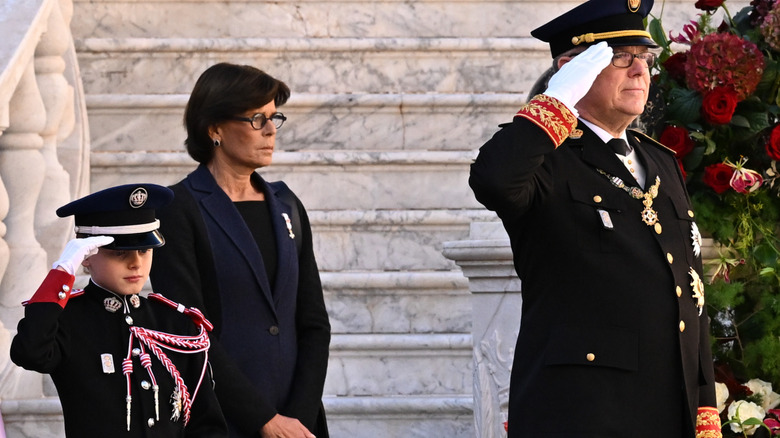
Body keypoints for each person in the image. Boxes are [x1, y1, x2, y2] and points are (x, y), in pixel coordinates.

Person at [469, 1, 722, 437]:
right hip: (582, 413)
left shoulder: (660, 162)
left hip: (667, 411)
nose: (640, 71)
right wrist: (556, 101)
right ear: (573, 70)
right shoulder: (543, 156)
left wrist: (704, 409)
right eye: (620, 58)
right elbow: (493, 181)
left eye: (644, 58)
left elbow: (689, 289)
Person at [149, 63, 331, 438]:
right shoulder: (178, 207)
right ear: (214, 129)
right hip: (223, 419)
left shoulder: (286, 204)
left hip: (298, 423)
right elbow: (188, 334)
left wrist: (298, 416)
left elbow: (313, 324)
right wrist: (263, 419)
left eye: (273, 118)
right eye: (255, 119)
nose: (269, 131)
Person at [10, 183, 227, 437]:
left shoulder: (176, 324)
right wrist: (62, 273)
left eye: (144, 250)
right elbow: (29, 353)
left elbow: (207, 422)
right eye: (119, 253)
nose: (136, 263)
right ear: (87, 256)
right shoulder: (68, 321)